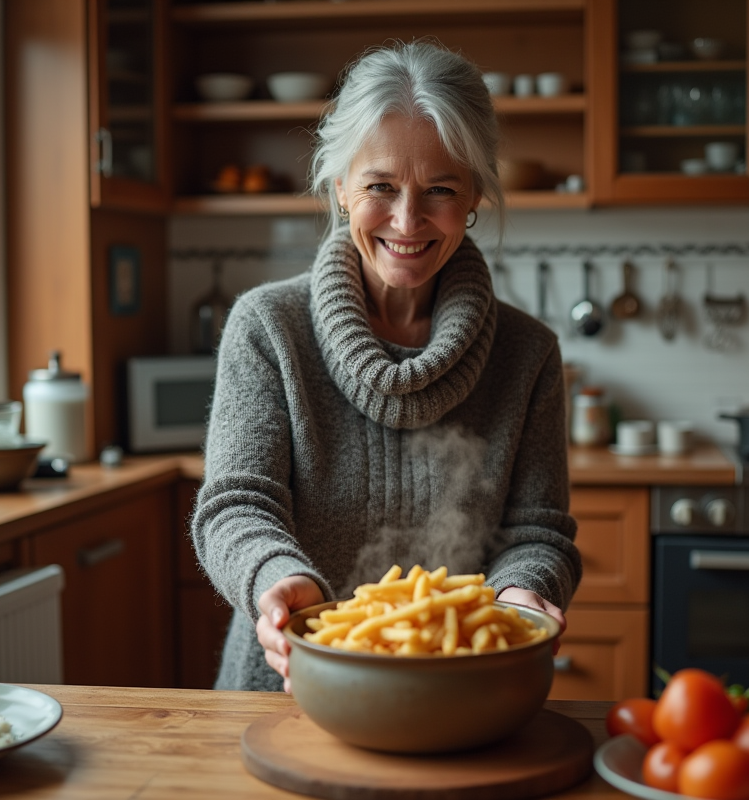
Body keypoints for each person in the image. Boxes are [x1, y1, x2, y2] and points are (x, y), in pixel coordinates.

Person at [191, 40, 581, 693]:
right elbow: (237, 505)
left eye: (440, 189)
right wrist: (276, 578)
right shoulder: (268, 327)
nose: (407, 220)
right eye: (379, 186)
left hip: (458, 691)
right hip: (287, 686)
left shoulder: (527, 352)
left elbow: (537, 531)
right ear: (340, 188)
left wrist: (522, 592)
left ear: (474, 195)